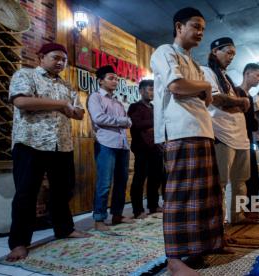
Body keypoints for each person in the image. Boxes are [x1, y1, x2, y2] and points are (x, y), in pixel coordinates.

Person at [150, 7, 224, 276]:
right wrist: (202, 87)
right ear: (179, 26)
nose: (200, 32)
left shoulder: (194, 63)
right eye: (195, 26)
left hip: (202, 129)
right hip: (179, 129)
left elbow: (207, 99)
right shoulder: (164, 52)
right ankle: (174, 259)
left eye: (203, 28)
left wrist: (201, 88)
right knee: (181, 195)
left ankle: (202, 245)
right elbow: (177, 87)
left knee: (205, 194)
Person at [7, 42, 90, 261]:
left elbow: (79, 113)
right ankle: (19, 243)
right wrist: (61, 104)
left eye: (63, 59)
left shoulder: (66, 85)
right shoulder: (25, 75)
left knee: (63, 190)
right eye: (55, 58)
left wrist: (69, 107)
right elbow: (22, 101)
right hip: (31, 142)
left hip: (61, 144)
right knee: (26, 193)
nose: (61, 62)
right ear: (41, 56)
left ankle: (65, 229)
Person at [201, 37, 251, 224]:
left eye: (233, 54)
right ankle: (217, 225)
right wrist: (241, 102)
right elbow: (216, 99)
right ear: (215, 51)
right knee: (220, 182)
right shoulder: (206, 71)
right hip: (221, 133)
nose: (231, 57)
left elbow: (229, 101)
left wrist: (237, 103)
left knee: (241, 180)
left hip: (239, 134)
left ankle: (237, 216)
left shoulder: (226, 78)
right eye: (228, 52)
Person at [88, 65, 133, 231]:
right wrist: (121, 121)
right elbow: (99, 118)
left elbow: (129, 121)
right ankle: (99, 219)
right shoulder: (95, 97)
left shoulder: (117, 101)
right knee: (104, 183)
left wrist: (123, 121)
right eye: (111, 78)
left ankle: (117, 215)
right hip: (105, 143)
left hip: (122, 144)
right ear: (101, 81)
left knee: (121, 182)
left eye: (116, 78)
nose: (115, 81)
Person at [128, 79, 163, 219]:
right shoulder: (134, 107)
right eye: (149, 89)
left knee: (156, 178)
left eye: (154, 89)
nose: (152, 92)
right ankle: (137, 210)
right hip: (142, 148)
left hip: (157, 148)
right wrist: (156, 122)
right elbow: (137, 124)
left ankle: (153, 206)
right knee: (139, 178)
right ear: (141, 90)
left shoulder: (155, 108)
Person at [235, 63, 259, 204]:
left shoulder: (250, 97)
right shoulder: (236, 92)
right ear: (247, 74)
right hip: (237, 137)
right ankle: (244, 206)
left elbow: (252, 123)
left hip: (248, 138)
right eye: (257, 75)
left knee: (251, 171)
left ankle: (252, 204)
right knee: (240, 175)